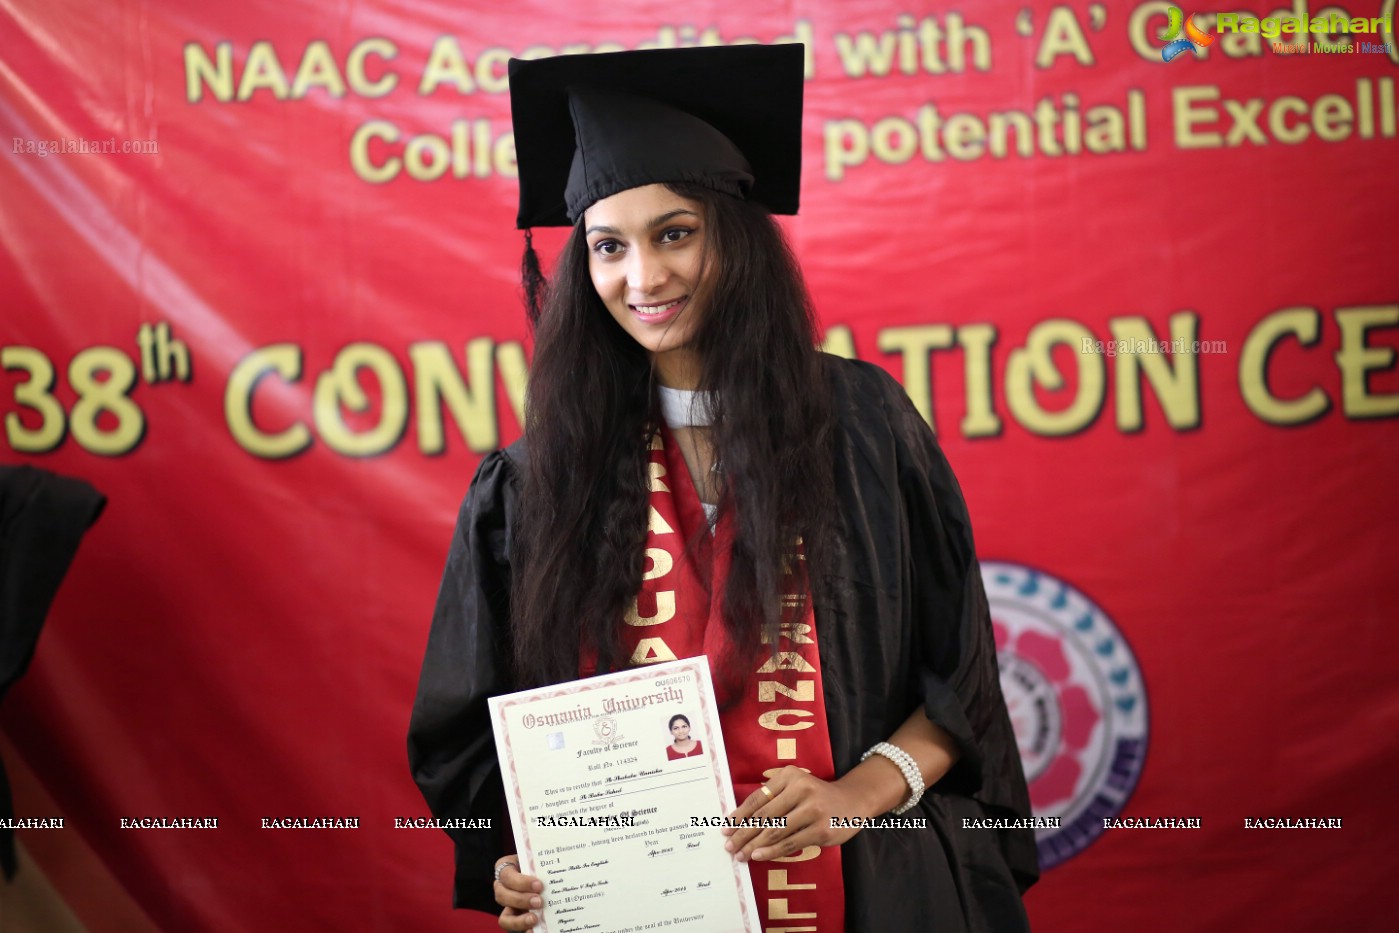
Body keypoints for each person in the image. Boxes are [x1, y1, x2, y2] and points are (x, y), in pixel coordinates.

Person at [408, 44, 1038, 932]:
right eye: (607, 247)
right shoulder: (536, 483)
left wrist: (856, 792)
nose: (644, 278)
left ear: (734, 237)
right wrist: (518, 864)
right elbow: (467, 742)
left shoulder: (860, 424)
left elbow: (960, 680)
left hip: (870, 895)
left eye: (675, 232)